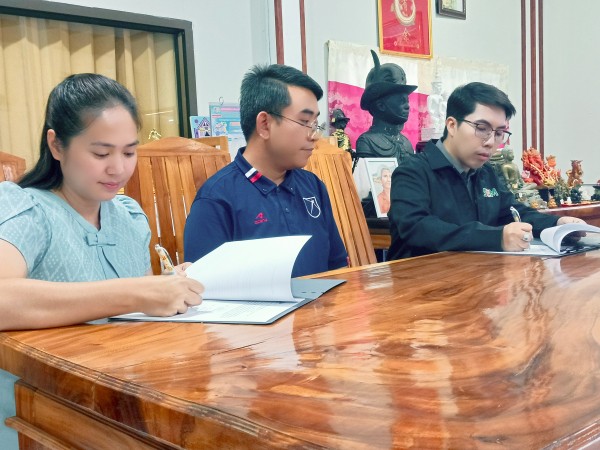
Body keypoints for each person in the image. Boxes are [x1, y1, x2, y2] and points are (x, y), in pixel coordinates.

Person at [0, 74, 203, 448]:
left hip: (119, 404)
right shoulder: (27, 208)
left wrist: (169, 287)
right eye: (101, 153)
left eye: (128, 152)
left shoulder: (128, 216)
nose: (118, 169)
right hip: (37, 416)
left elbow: (139, 310)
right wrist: (136, 293)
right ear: (56, 145)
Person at [387, 81, 585, 260]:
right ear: (452, 125)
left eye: (499, 133)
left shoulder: (485, 173)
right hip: (420, 281)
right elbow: (417, 228)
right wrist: (496, 237)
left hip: (476, 277)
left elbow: (512, 211)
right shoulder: (412, 171)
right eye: (482, 128)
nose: (491, 142)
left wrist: (558, 224)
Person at [183, 64, 347, 277]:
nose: (315, 135)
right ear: (264, 124)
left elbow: (337, 267)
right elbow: (203, 288)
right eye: (305, 122)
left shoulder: (313, 186)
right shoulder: (216, 199)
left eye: (316, 124)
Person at [355, 50, 417, 165]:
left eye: (407, 101)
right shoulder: (367, 142)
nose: (407, 106)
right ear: (381, 105)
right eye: (401, 101)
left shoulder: (406, 143)